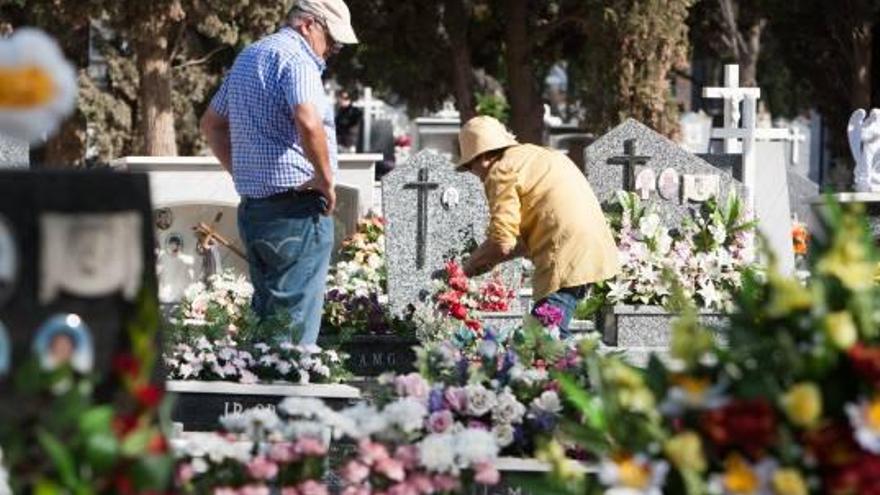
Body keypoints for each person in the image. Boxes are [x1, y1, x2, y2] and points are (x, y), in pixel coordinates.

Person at [200, 0, 358, 344]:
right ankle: (289, 397)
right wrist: (325, 180)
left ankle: (263, 395)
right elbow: (307, 118)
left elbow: (211, 125)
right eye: (332, 40)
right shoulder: (299, 59)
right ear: (308, 25)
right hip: (297, 212)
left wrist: (241, 171)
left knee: (267, 324)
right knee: (293, 335)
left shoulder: (249, 57)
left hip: (255, 210)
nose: (333, 50)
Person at [457, 116, 619, 337]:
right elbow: (521, 241)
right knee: (543, 338)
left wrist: (466, 268)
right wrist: (487, 262)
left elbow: (502, 242)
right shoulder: (536, 155)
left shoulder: (501, 170)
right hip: (588, 247)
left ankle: (589, 370)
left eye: (469, 166)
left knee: (543, 339)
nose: (475, 175)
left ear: (482, 157)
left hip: (565, 254)